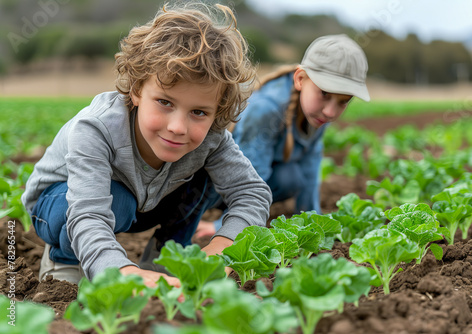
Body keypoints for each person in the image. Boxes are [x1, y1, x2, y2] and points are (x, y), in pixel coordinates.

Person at [21, 2, 272, 288]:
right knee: (119, 199)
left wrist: (226, 248)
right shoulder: (96, 128)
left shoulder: (212, 137)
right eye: (165, 102)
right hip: (62, 208)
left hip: (142, 204)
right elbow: (87, 214)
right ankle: (63, 260)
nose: (178, 127)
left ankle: (167, 256)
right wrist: (121, 273)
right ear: (138, 89)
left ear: (217, 112)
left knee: (205, 178)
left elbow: (251, 191)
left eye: (199, 112)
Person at [195, 34, 370, 237]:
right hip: (212, 185)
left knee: (292, 177)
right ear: (300, 79)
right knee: (278, 178)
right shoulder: (266, 109)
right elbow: (248, 178)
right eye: (325, 93)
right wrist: (223, 227)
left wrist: (314, 223)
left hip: (251, 180)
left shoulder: (317, 114)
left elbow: (309, 170)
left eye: (343, 101)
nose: (331, 112)